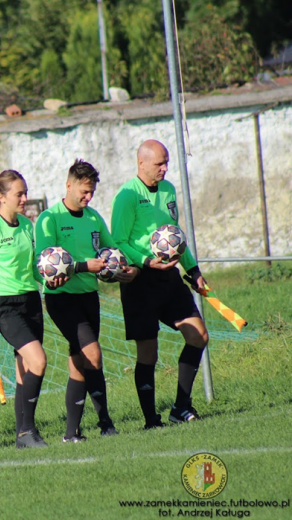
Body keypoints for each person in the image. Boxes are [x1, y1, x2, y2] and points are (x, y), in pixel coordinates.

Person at [35, 160, 139, 442]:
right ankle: (106, 424)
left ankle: (72, 434)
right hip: (61, 299)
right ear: (68, 185)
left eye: (91, 192)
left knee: (79, 360)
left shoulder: (93, 217)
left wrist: (124, 269)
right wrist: (83, 267)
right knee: (92, 353)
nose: (88, 197)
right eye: (83, 191)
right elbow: (43, 264)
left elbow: (112, 251)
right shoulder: (50, 218)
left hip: (89, 296)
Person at [111, 139, 209, 429]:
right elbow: (119, 241)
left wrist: (193, 268)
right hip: (139, 279)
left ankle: (181, 407)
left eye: (166, 162)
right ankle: (151, 420)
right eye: (159, 164)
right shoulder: (127, 196)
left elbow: (175, 237)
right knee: (148, 352)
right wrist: (145, 261)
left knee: (198, 335)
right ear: (141, 163)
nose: (165, 168)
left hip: (168, 277)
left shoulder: (168, 190)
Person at [0, 170, 49, 448]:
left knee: (25, 368)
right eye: (19, 194)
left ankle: (22, 436)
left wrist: (49, 280)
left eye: (26, 192)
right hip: (4, 306)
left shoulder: (27, 227)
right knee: (39, 361)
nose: (25, 198)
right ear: (1, 197)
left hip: (30, 300)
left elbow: (33, 269)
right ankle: (28, 430)